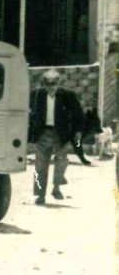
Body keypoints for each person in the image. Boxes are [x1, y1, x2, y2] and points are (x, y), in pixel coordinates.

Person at [28, 69, 83, 203]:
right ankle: (40, 195)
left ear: (58, 83)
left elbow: (78, 114)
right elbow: (28, 112)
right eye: (48, 84)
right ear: (44, 84)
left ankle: (56, 188)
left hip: (61, 134)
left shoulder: (67, 95)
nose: (51, 87)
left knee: (62, 162)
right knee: (40, 166)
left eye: (53, 83)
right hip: (43, 133)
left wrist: (78, 131)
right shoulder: (36, 95)